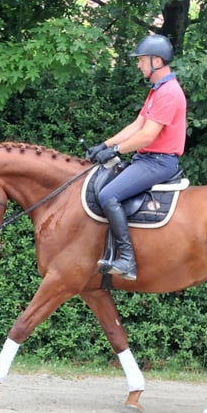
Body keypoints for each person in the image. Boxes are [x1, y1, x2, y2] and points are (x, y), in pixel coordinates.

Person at [86, 34, 187, 281]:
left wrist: (117, 150)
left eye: (141, 60)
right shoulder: (157, 91)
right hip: (146, 160)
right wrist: (104, 144)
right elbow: (138, 124)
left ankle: (128, 260)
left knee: (108, 195)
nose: (138, 65)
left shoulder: (169, 93)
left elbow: (147, 135)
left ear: (157, 61)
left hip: (159, 162)